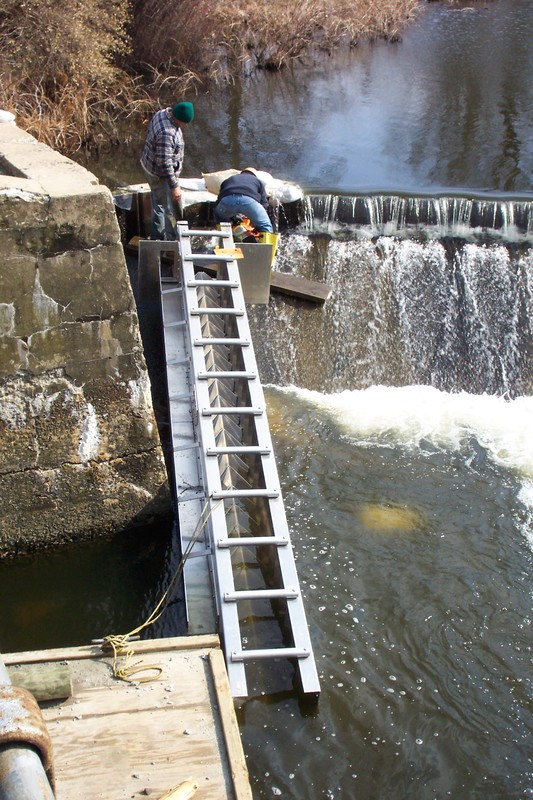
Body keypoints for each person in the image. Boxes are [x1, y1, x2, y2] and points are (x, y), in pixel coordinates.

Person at [140, 101, 194, 240]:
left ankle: (164, 236)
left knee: (160, 202)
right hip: (159, 174)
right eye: (183, 123)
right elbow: (164, 163)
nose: (184, 126)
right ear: (177, 119)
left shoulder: (163, 113)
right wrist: (174, 185)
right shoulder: (167, 133)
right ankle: (163, 240)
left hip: (148, 164)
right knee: (163, 208)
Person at [213, 168, 273, 233]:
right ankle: (267, 241)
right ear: (254, 175)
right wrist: (258, 220)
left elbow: (219, 200)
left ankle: (223, 237)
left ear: (242, 173)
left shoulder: (229, 179)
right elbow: (264, 204)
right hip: (249, 201)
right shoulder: (257, 181)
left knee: (220, 219)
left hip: (227, 201)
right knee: (265, 225)